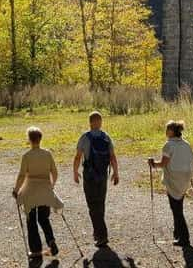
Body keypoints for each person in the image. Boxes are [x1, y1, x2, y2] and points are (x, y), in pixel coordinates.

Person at [14, 126, 64, 259]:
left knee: (31, 221)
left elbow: (21, 176)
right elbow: (55, 172)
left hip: (30, 191)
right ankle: (51, 240)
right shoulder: (47, 154)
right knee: (44, 218)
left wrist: (16, 190)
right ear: (40, 139)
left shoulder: (26, 156)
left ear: (29, 140)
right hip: (45, 191)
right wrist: (51, 185)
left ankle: (36, 250)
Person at [73, 110, 118, 247]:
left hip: (89, 175)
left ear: (90, 122)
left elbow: (78, 157)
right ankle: (98, 232)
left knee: (92, 205)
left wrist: (75, 171)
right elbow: (112, 157)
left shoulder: (85, 137)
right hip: (103, 174)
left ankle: (101, 236)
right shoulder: (106, 137)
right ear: (100, 122)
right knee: (100, 203)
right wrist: (116, 173)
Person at [147, 120, 193, 246]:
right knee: (178, 206)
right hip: (185, 178)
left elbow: (163, 164)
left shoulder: (168, 145)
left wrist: (152, 163)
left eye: (167, 129)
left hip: (174, 178)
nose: (166, 132)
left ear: (172, 131)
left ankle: (184, 238)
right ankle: (177, 234)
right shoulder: (186, 144)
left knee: (176, 209)